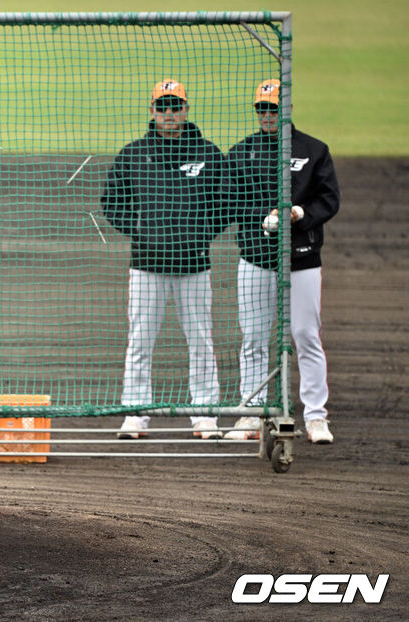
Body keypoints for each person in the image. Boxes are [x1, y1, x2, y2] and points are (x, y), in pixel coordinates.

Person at [101, 79, 231, 440]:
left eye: (176, 106)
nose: (170, 113)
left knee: (201, 341)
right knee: (140, 341)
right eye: (163, 107)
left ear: (186, 110)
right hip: (146, 265)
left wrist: (202, 233)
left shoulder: (207, 153)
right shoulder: (133, 154)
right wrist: (139, 230)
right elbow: (112, 202)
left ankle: (204, 415)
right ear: (152, 111)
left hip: (194, 265)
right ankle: (135, 414)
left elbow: (226, 203)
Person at [224, 79, 339, 444]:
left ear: (287, 109)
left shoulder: (314, 150)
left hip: (303, 259)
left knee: (305, 335)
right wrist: (264, 218)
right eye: (262, 109)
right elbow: (231, 200)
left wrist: (299, 213)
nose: (267, 115)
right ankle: (252, 414)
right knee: (254, 338)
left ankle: (316, 417)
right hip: (257, 259)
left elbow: (329, 200)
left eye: (273, 109)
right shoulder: (241, 152)